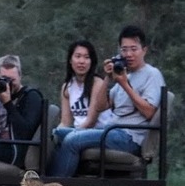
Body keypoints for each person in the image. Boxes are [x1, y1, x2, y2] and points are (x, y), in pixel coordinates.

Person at [49, 25, 165, 177]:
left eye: (133, 49)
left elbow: (150, 112)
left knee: (72, 140)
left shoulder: (152, 74)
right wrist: (107, 78)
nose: (128, 54)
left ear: (144, 50)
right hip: (112, 132)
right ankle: (47, 183)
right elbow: (100, 106)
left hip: (130, 138)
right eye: (124, 50)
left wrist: (124, 85)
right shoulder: (125, 75)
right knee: (56, 134)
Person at [52, 40, 112, 145]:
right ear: (70, 60)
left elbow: (91, 121)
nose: (81, 61)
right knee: (50, 137)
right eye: (78, 56)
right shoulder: (67, 87)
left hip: (99, 132)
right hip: (77, 132)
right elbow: (65, 122)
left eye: (86, 57)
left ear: (91, 61)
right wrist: (54, 134)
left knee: (68, 139)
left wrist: (72, 133)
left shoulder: (97, 83)